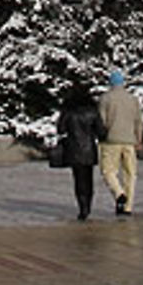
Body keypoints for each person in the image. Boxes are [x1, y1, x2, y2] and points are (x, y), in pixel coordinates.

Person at [56, 83, 106, 220]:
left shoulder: (69, 111)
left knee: (78, 179)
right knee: (88, 178)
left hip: (73, 148)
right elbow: (101, 131)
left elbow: (60, 128)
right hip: (89, 149)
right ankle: (87, 205)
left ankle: (82, 206)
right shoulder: (92, 111)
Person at [97, 69, 143, 216]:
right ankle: (128, 206)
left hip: (111, 141)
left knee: (108, 171)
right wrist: (138, 139)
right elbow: (139, 121)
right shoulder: (133, 99)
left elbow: (101, 121)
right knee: (130, 174)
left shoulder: (105, 98)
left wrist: (100, 137)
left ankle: (119, 193)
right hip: (129, 141)